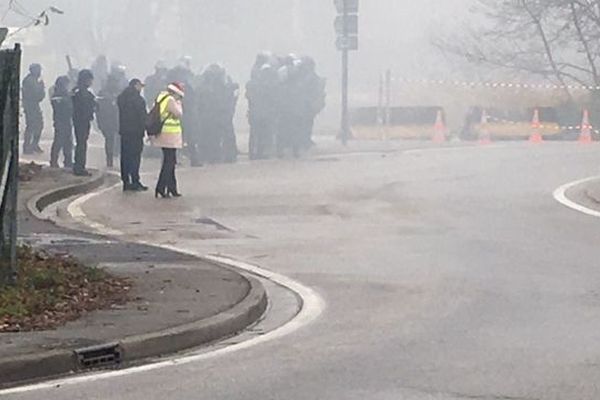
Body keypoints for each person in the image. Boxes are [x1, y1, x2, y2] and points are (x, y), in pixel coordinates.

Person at [151, 82, 185, 198]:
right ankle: (161, 187)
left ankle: (171, 188)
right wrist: (179, 103)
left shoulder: (162, 97)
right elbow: (179, 113)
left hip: (164, 134)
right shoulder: (170, 100)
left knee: (170, 161)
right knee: (169, 163)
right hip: (169, 134)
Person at [117, 79, 148, 192]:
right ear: (135, 86)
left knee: (125, 157)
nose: (141, 89)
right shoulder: (139, 100)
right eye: (140, 86)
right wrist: (147, 129)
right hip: (136, 133)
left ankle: (126, 181)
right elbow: (142, 117)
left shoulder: (122, 98)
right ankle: (135, 181)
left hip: (124, 131)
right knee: (135, 157)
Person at [72, 69, 97, 176]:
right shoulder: (79, 93)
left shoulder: (83, 92)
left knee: (82, 144)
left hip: (84, 120)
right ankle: (79, 167)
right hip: (81, 121)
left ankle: (80, 166)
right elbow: (81, 107)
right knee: (81, 144)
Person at [97, 74, 121, 167]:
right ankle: (109, 159)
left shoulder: (119, 93)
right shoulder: (103, 93)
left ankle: (115, 155)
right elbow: (99, 110)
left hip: (117, 120)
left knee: (118, 139)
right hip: (107, 121)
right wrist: (100, 122)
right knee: (109, 140)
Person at [49, 76, 73, 168]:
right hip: (60, 121)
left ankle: (68, 161)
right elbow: (62, 106)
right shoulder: (57, 95)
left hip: (66, 120)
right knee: (58, 141)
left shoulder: (66, 94)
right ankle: (54, 161)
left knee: (68, 142)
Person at [22, 63, 46, 154]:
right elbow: (36, 95)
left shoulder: (33, 80)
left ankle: (33, 145)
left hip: (33, 105)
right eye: (38, 70)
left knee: (38, 125)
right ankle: (28, 146)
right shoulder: (29, 81)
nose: (40, 72)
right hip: (31, 106)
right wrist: (41, 87)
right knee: (31, 126)